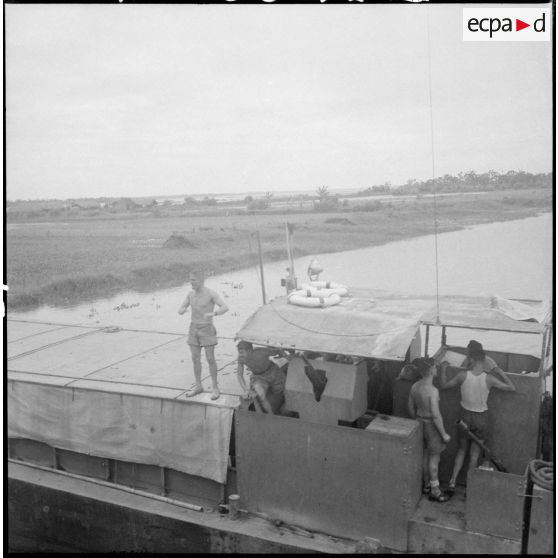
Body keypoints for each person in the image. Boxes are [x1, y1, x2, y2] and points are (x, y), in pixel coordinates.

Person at [439, 339, 516, 495]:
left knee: (461, 450)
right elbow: (512, 388)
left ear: (471, 360)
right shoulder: (489, 378)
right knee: (474, 454)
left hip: (464, 416)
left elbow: (444, 386)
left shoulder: (462, 375)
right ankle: (470, 486)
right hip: (481, 417)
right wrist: (501, 373)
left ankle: (453, 482)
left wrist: (443, 369)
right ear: (483, 360)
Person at [178, 271, 229, 399]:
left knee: (210, 359)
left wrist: (214, 314)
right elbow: (181, 308)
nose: (191, 282)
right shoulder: (190, 294)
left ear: (201, 280)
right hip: (193, 328)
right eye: (190, 280)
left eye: (193, 280)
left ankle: (215, 388)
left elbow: (224, 307)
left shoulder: (210, 293)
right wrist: (182, 310)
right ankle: (198, 386)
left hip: (207, 329)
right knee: (195, 358)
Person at [408, 357, 451, 502]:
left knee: (425, 456)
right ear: (431, 370)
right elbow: (436, 415)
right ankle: (435, 490)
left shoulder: (415, 386)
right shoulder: (433, 391)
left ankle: (426, 485)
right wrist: (444, 434)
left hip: (419, 423)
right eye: (435, 367)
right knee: (434, 459)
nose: (437, 369)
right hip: (431, 427)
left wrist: (418, 420)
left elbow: (410, 407)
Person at [236, 341, 287, 414]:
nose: (240, 355)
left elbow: (278, 351)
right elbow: (239, 375)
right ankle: (271, 415)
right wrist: (246, 390)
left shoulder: (261, 351)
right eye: (239, 352)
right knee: (261, 395)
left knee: (280, 391)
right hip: (258, 377)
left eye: (241, 352)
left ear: (250, 350)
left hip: (273, 372)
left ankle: (283, 404)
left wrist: (287, 357)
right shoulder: (240, 358)